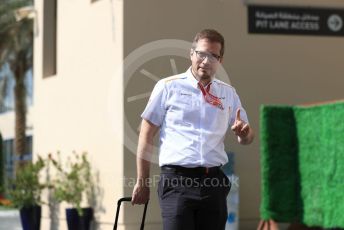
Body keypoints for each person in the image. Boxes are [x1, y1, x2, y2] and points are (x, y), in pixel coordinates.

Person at [131, 29, 254, 230]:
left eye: (213, 56)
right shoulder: (167, 87)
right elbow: (146, 134)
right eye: (201, 54)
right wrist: (142, 182)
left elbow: (248, 137)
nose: (206, 61)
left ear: (220, 60)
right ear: (192, 53)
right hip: (177, 183)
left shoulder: (228, 94)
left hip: (214, 183)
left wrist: (245, 133)